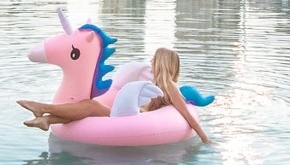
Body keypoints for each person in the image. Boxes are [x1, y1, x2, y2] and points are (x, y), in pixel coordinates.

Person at [18, 47, 211, 144]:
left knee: (90, 106)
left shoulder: (170, 86)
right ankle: (48, 119)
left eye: (154, 59)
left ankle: (43, 108)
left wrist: (205, 139)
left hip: (132, 121)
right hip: (129, 116)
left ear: (162, 63)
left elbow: (187, 116)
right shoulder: (157, 83)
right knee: (89, 108)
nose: (150, 61)